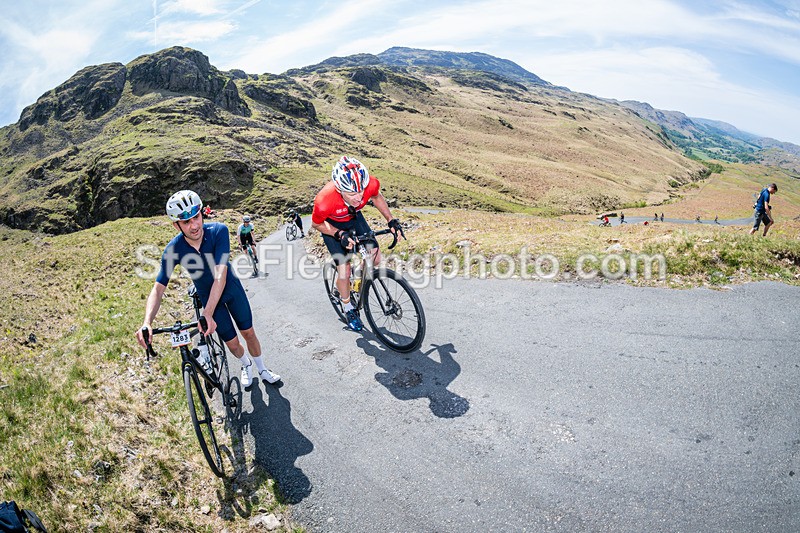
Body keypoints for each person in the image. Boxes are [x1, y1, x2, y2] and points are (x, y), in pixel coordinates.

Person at [135, 191, 280, 387]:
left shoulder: (218, 231)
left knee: (249, 333)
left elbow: (220, 275)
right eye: (186, 222)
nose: (194, 225)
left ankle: (262, 368)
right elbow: (158, 288)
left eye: (196, 217)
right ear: (176, 225)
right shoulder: (173, 249)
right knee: (233, 343)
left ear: (202, 213)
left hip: (230, 289)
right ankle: (246, 364)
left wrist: (207, 313)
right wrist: (147, 322)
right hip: (209, 298)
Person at [311, 156, 402, 332]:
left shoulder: (369, 184)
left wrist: (390, 220)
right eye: (352, 194)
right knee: (344, 270)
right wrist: (338, 233)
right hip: (332, 225)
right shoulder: (324, 200)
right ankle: (348, 308)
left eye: (360, 191)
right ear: (339, 189)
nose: (359, 197)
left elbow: (376, 197)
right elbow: (316, 224)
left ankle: (358, 279)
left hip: (353, 217)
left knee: (374, 257)